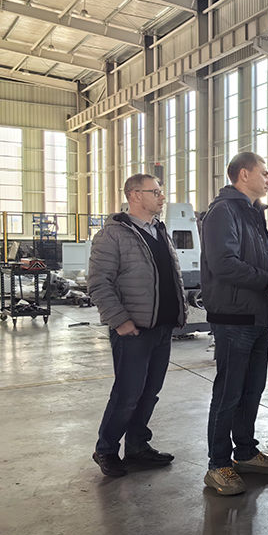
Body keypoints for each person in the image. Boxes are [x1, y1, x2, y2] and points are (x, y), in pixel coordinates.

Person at [201, 152, 268, 496]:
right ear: (243, 175)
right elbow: (224, 263)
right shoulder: (224, 211)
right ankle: (218, 464)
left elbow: (255, 259)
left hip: (256, 315)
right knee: (229, 392)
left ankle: (246, 452)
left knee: (252, 389)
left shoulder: (252, 212)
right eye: (264, 173)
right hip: (234, 317)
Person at [89, 174, 187, 477]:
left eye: (160, 192)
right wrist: (120, 321)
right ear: (134, 195)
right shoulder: (112, 235)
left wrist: (179, 314)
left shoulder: (160, 231)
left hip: (162, 328)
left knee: (149, 393)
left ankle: (137, 446)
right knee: (127, 394)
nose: (162, 197)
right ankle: (106, 449)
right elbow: (99, 283)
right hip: (133, 331)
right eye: (155, 192)